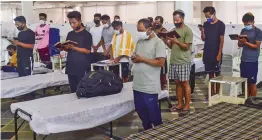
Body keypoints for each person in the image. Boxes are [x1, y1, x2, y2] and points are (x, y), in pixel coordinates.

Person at [132, 18, 166, 130]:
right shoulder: (140, 41)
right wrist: (134, 58)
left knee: (154, 115)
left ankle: (158, 134)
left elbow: (160, 62)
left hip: (149, 85)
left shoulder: (158, 42)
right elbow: (137, 56)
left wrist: (142, 59)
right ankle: (147, 131)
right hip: (137, 84)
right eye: (137, 29)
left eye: (141, 30)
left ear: (149, 29)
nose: (138, 32)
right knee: (141, 111)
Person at [163, 10, 193, 114]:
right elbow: (172, 46)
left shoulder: (187, 31)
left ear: (182, 19)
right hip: (174, 60)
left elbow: (186, 47)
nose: (175, 21)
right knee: (177, 83)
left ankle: (187, 105)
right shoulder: (173, 30)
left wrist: (176, 41)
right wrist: (166, 41)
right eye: (174, 20)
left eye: (177, 19)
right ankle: (180, 103)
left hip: (183, 61)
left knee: (185, 83)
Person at [64, 11, 92, 93]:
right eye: (70, 23)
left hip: (82, 66)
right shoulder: (70, 34)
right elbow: (68, 48)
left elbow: (87, 51)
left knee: (81, 90)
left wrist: (74, 48)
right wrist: (63, 48)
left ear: (80, 21)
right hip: (71, 65)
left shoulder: (87, 35)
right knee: (73, 89)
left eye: (74, 22)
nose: (72, 25)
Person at [200, 7, 225, 98]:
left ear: (213, 13)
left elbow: (222, 41)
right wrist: (202, 31)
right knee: (210, 74)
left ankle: (218, 94)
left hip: (216, 52)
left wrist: (219, 54)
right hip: (207, 52)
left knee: (217, 74)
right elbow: (204, 39)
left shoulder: (221, 24)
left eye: (208, 16)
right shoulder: (206, 24)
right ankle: (212, 94)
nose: (207, 18)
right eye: (206, 16)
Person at [238, 12, 262, 97]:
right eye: (244, 24)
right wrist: (240, 42)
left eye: (248, 24)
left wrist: (246, 42)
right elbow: (240, 45)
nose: (246, 25)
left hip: (252, 61)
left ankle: (254, 101)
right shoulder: (243, 30)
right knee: (245, 82)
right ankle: (247, 99)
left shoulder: (258, 32)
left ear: (253, 22)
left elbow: (257, 46)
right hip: (244, 59)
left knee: (252, 83)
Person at [154, 16, 168, 90]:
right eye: (155, 23)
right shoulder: (153, 30)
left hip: (161, 53)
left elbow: (165, 41)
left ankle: (162, 87)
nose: (156, 24)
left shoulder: (164, 30)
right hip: (153, 53)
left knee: (162, 72)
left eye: (158, 23)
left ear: (161, 23)